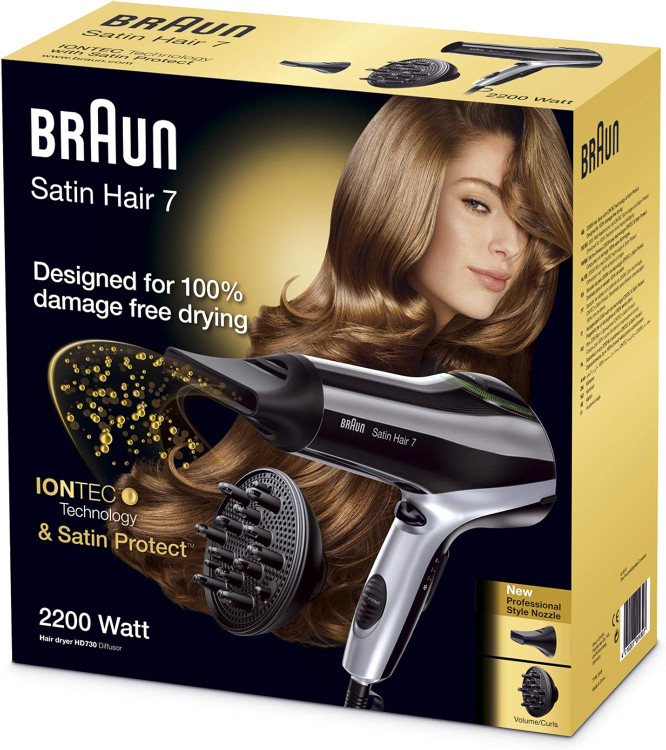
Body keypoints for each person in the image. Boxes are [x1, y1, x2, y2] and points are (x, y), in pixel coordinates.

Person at [111, 97, 572, 645]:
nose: (511, 245)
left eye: (527, 218)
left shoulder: (488, 392)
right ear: (398, 199)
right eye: (477, 204)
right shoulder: (316, 380)